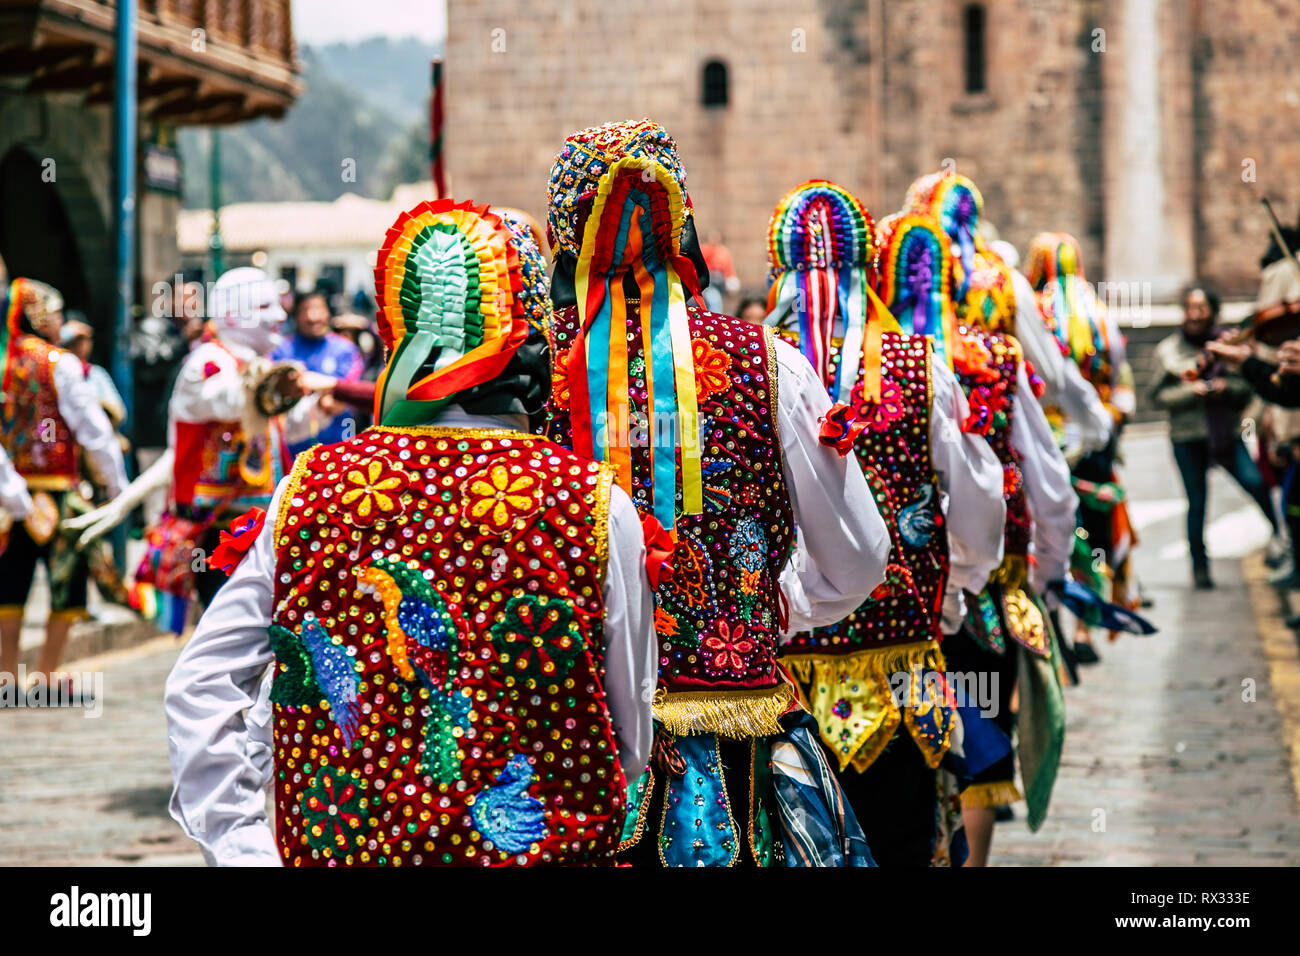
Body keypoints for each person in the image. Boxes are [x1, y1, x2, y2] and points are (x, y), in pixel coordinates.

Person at [165, 199, 657, 866]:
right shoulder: (591, 503)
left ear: (394, 329)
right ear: (531, 335)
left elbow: (201, 686)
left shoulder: (310, 493)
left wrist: (246, 848)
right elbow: (628, 736)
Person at [543, 120, 890, 866]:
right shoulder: (767, 360)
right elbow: (860, 558)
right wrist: (777, 606)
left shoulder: (524, 377)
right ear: (682, 222)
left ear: (563, 231)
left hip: (563, 758)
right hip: (739, 737)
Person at [764, 181, 1006, 867]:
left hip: (782, 680)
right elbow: (979, 503)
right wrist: (952, 591)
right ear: (866, 269)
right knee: (904, 838)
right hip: (902, 671)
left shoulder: (753, 367)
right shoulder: (920, 366)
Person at [880, 208, 1077, 866]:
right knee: (980, 746)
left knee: (893, 767)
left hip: (876, 612)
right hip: (982, 591)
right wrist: (1045, 578)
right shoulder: (991, 355)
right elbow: (1048, 484)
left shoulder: (851, 366)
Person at [64, 268, 326, 631]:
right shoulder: (208, 363)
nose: (281, 315)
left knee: (259, 633)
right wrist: (269, 388)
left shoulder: (254, 365)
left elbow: (280, 426)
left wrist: (321, 406)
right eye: (265, 305)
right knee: (235, 633)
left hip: (261, 526)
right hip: (219, 531)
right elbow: (227, 402)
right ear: (234, 314)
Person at [0, 277, 128, 701]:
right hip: (58, 492)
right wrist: (116, 484)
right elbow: (93, 432)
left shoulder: (3, 361)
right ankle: (47, 675)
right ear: (40, 316)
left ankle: (7, 675)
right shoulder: (61, 363)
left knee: (9, 583)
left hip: (7, 493)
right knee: (67, 585)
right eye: (54, 313)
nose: (60, 322)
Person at [1025, 232, 1137, 661]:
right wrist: (1109, 423)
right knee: (1094, 533)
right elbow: (1120, 379)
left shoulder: (1032, 314)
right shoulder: (1100, 313)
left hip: (1045, 444)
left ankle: (1053, 630)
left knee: (1056, 535)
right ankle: (1089, 628)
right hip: (1094, 441)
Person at [1150, 284, 1277, 589]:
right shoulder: (1168, 351)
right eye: (1191, 308)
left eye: (1202, 308)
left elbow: (1249, 388)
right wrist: (1190, 392)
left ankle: (1283, 538)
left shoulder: (1229, 346)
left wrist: (1225, 388)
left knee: (1255, 482)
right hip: (1187, 435)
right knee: (1197, 502)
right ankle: (1200, 566)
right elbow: (1157, 396)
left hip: (1226, 432)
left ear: (1212, 312)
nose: (1195, 315)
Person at [272, 288, 364, 454]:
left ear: (328, 313)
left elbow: (340, 400)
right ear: (295, 316)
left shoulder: (345, 349)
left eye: (318, 309)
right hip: (292, 454)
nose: (312, 317)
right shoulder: (281, 350)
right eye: (305, 310)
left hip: (339, 450)